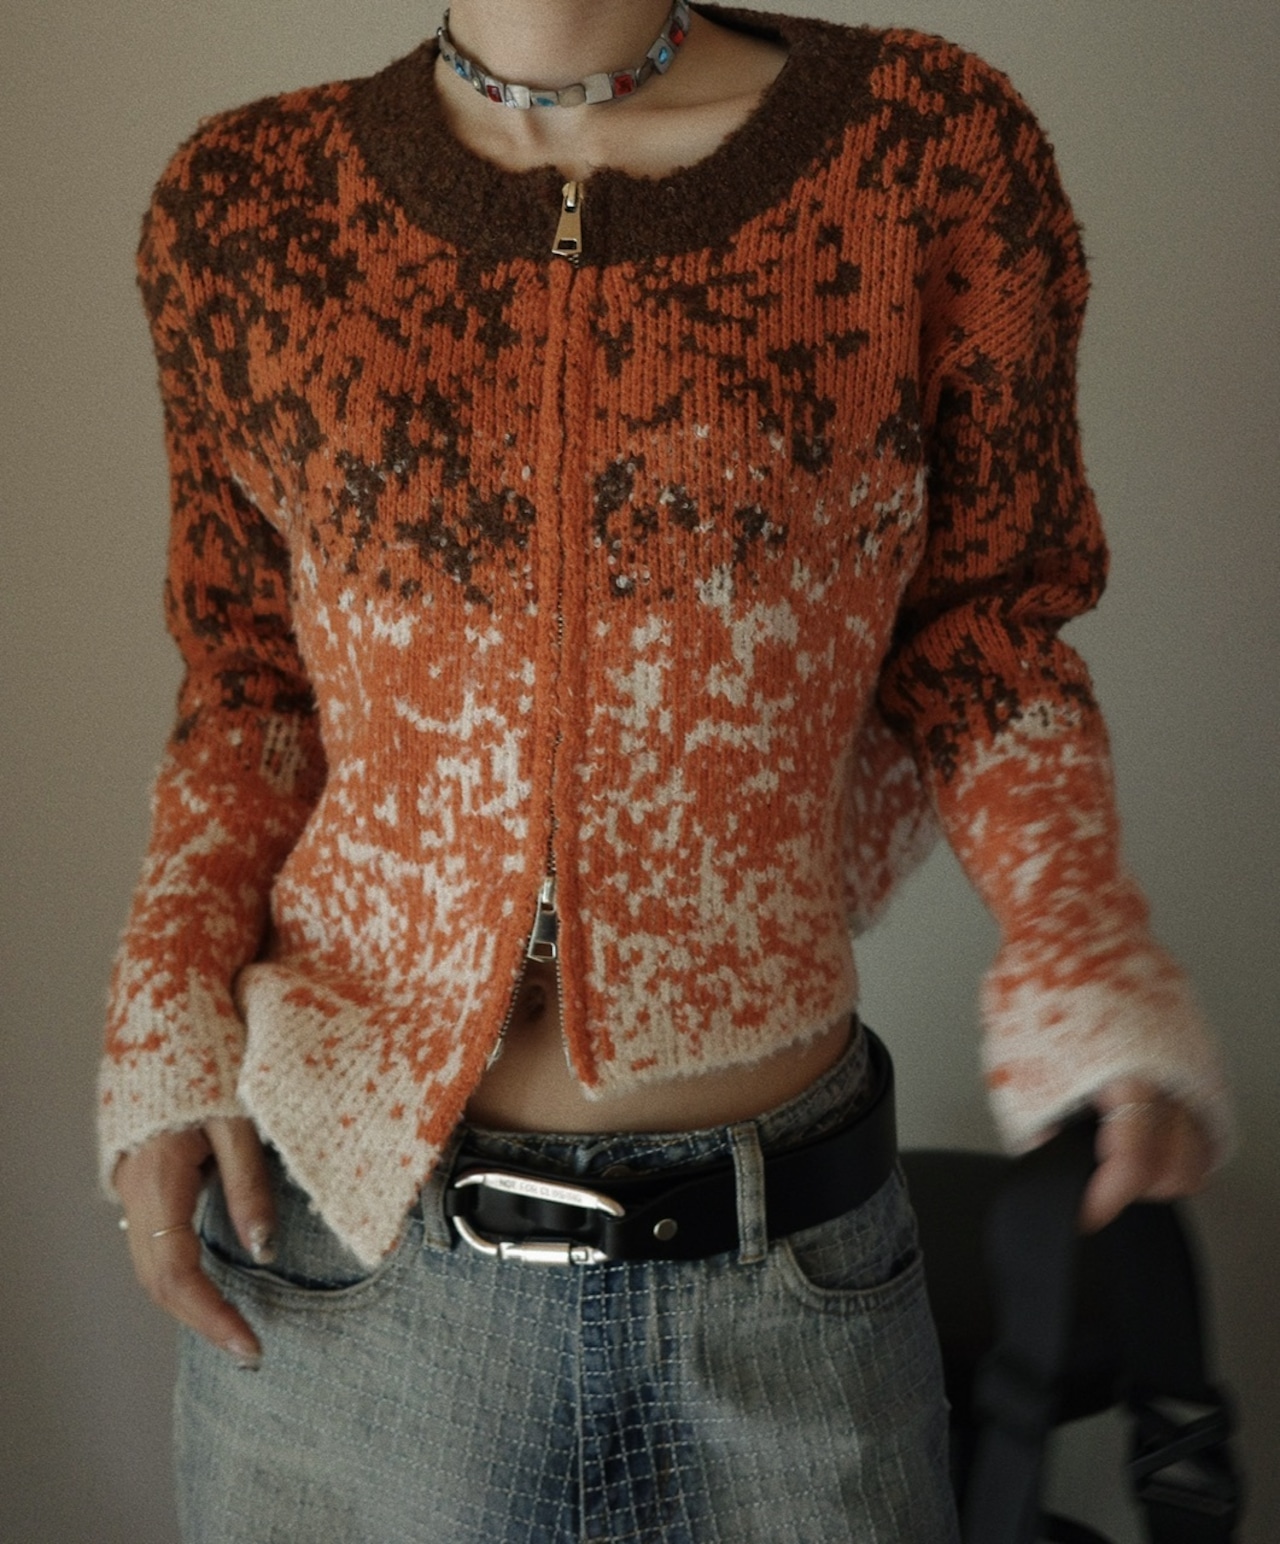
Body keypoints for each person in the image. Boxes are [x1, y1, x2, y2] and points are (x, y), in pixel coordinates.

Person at [103, 3, 1230, 1540]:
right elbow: (248, 683)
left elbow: (990, 635)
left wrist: (1084, 956)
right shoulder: (247, 203)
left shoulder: (920, 154)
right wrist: (163, 1021)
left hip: (781, 1300)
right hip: (345, 1284)